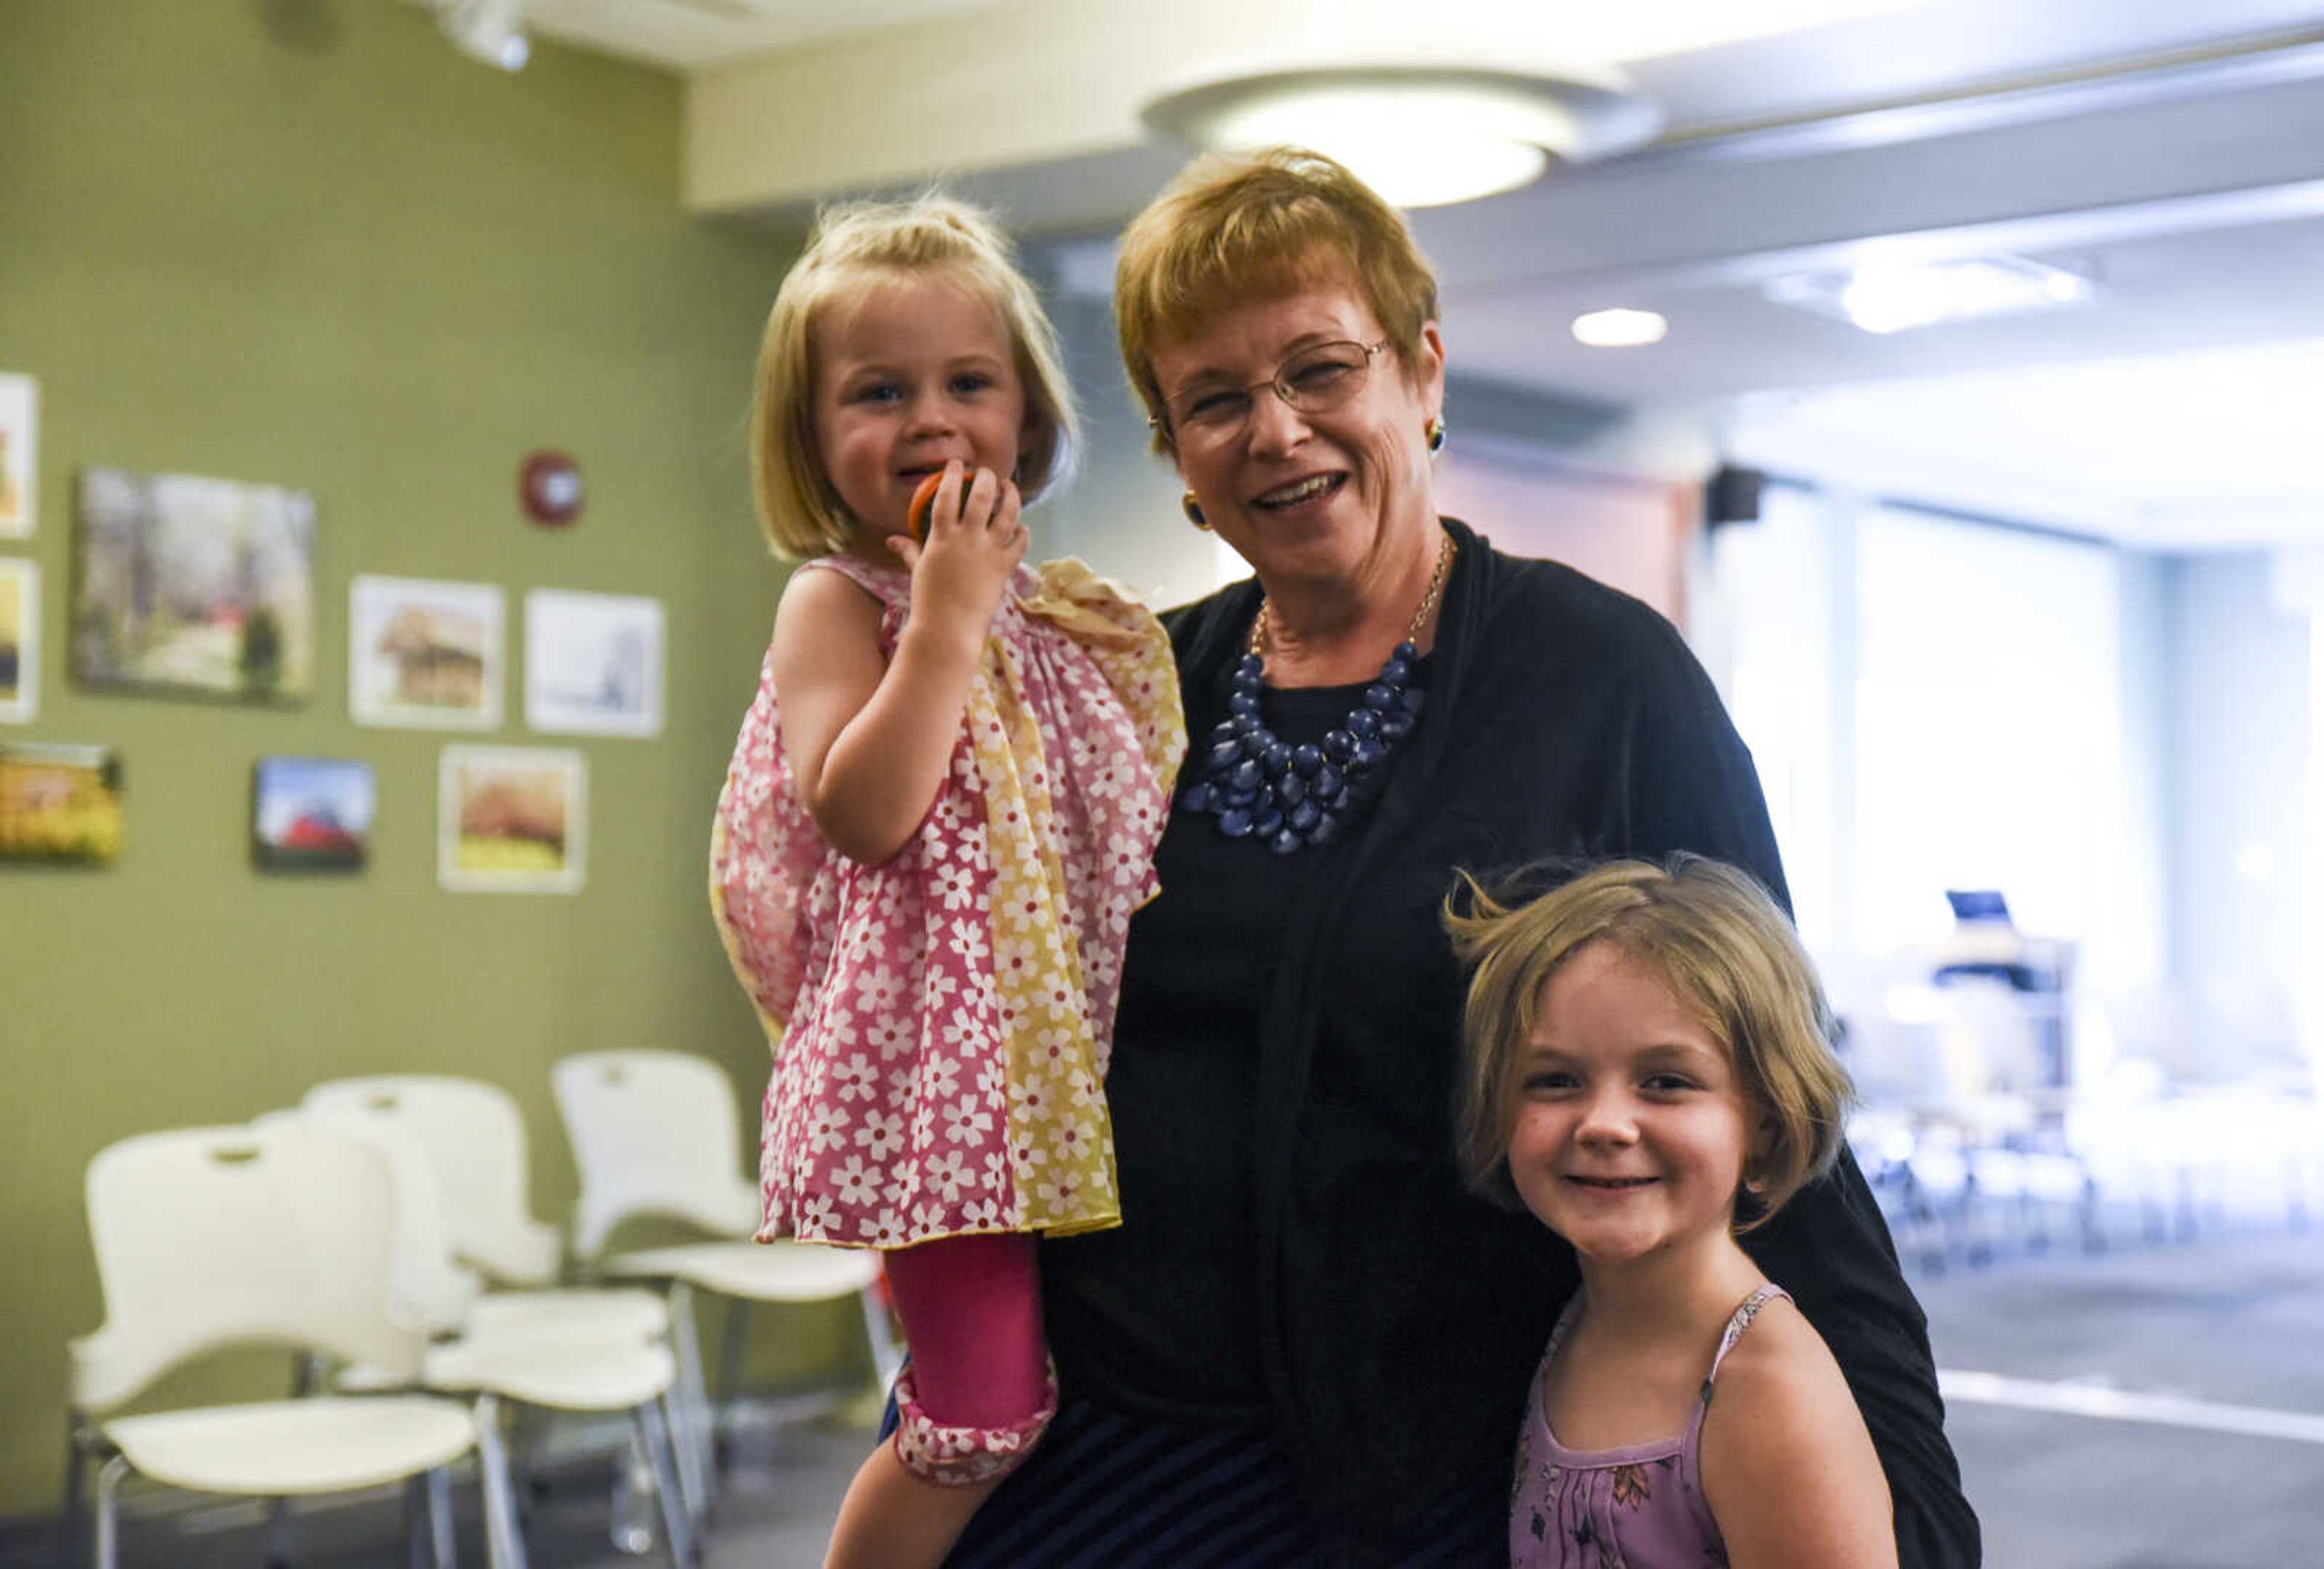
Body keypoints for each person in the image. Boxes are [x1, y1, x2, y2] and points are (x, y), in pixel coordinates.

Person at [938, 146, 1979, 1567]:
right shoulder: (1134, 691)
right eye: (1216, 400)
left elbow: (1775, 1105)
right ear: (1173, 449)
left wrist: (1912, 1512)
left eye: (1318, 370)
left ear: (1420, 372)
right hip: (1109, 1435)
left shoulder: (1601, 678)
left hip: (1426, 1467)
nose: (1276, 430)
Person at [707, 195, 1185, 1569]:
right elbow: (864, 809)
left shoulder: (1052, 619)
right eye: (876, 391)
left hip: (1056, 1072)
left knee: (1070, 1398)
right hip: (931, 1093)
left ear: (1027, 419)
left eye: (966, 382)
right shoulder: (838, 601)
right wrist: (945, 619)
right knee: (974, 1413)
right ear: (813, 439)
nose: (928, 418)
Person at [1448, 855, 1898, 1568]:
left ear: (1769, 1123)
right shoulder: (1577, 1324)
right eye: (1555, 1080)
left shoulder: (1768, 1394)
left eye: (1665, 1081)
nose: (1604, 1123)